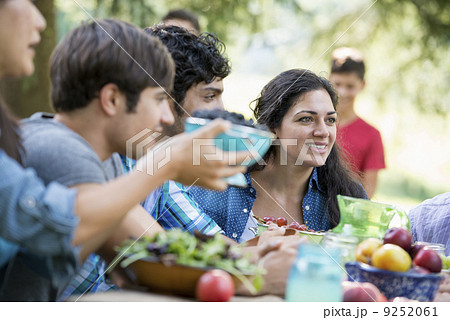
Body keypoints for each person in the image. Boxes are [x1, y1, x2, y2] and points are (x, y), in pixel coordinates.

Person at [0, 2, 247, 301]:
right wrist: (165, 163)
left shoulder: (111, 165)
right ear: (112, 100)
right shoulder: (57, 148)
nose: (167, 116)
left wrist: (258, 261)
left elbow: (148, 260)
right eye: (158, 100)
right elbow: (68, 224)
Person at [189, 69, 368, 241]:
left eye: (330, 120)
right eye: (306, 119)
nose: (323, 131)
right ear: (272, 128)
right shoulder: (220, 188)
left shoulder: (350, 199)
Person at [121, 25, 230, 237]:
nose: (222, 110)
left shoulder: (159, 163)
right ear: (169, 97)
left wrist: (265, 250)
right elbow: (154, 245)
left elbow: (212, 242)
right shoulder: (117, 160)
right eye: (210, 96)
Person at [329, 47, 385, 198]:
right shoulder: (313, 126)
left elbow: (367, 193)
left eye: (350, 86)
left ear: (362, 85)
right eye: (337, 84)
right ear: (328, 80)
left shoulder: (372, 135)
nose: (342, 92)